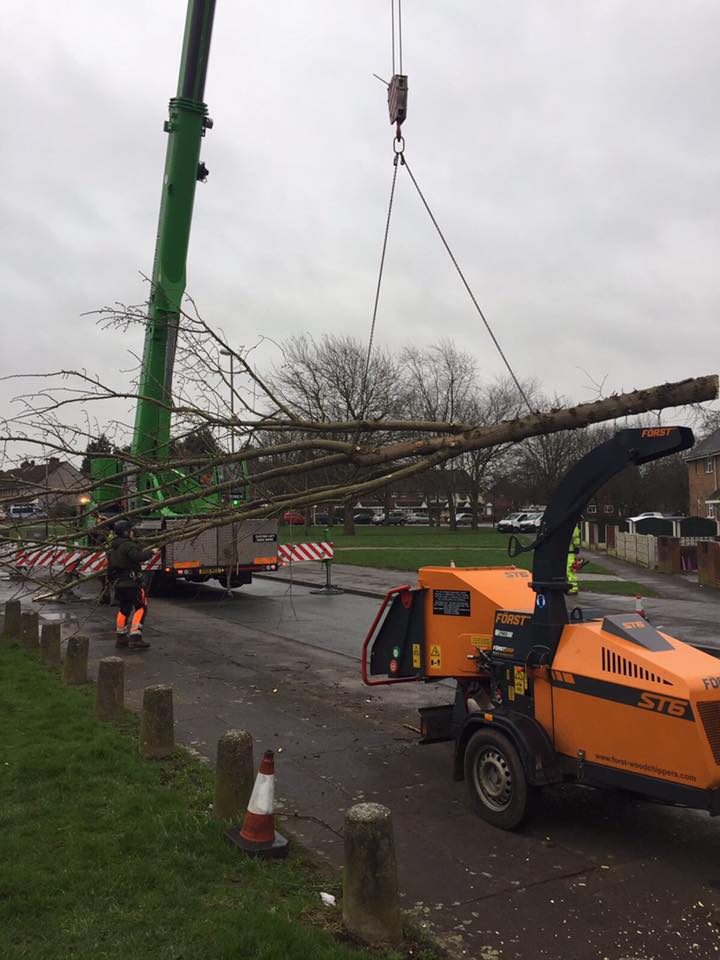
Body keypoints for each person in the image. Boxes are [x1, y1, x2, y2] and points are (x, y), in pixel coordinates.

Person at [107, 519, 157, 649]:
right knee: (141, 607)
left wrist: (112, 582)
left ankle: (121, 637)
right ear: (126, 532)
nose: (133, 533)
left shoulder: (113, 548)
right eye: (131, 531)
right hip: (132, 583)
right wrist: (151, 552)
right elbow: (138, 557)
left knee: (124, 609)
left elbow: (110, 570)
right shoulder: (128, 545)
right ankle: (136, 637)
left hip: (119, 584)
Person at [566, 523, 582, 595]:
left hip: (569, 552)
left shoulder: (572, 527)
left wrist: (576, 547)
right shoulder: (570, 526)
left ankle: (573, 588)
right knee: (567, 571)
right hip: (567, 552)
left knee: (570, 570)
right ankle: (570, 587)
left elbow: (575, 539)